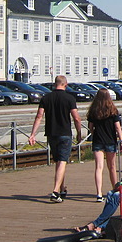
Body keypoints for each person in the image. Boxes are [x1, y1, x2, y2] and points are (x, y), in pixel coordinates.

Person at [28, 75, 83, 203]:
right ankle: (55, 191)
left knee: (59, 161)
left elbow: (39, 116)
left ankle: (62, 188)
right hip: (65, 133)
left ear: (54, 84)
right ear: (66, 84)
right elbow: (76, 118)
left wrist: (33, 134)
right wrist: (79, 133)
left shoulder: (46, 98)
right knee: (63, 161)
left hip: (51, 133)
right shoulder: (70, 98)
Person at [87, 88, 122, 201]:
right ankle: (115, 189)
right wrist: (121, 141)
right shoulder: (113, 110)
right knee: (112, 167)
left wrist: (95, 133)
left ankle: (99, 193)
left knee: (99, 167)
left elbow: (90, 127)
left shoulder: (94, 110)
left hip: (98, 140)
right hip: (110, 141)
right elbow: (117, 127)